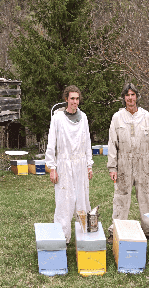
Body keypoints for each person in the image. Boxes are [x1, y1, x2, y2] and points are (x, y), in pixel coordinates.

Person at [107, 83, 149, 243]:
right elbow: (112, 143)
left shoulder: (146, 116)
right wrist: (112, 167)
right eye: (127, 95)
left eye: (133, 95)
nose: (130, 98)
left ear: (136, 97)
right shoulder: (117, 117)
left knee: (146, 196)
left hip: (143, 163)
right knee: (120, 197)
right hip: (123, 163)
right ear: (123, 98)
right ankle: (115, 229)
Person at [45, 85, 93, 243]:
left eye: (77, 98)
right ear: (66, 99)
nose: (75, 101)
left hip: (80, 164)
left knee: (82, 200)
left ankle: (85, 239)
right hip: (64, 164)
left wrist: (89, 165)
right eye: (72, 98)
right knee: (64, 203)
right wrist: (52, 167)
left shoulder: (83, 117)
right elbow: (51, 144)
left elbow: (87, 143)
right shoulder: (57, 118)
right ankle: (62, 239)